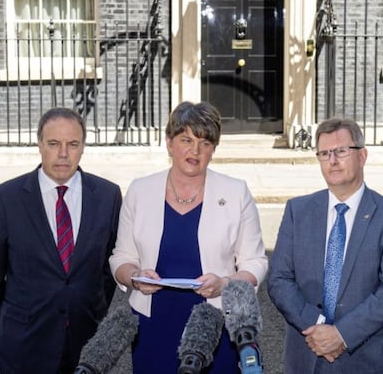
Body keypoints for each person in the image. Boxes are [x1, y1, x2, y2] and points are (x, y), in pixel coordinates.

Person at [110, 101, 268, 373]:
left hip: (214, 322)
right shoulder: (140, 191)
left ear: (213, 150)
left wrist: (226, 284)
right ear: (169, 143)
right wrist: (135, 277)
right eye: (186, 140)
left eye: (205, 143)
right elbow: (121, 258)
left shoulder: (235, 192)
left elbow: (255, 262)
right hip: (153, 324)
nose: (195, 151)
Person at [0, 107, 122, 374]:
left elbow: (107, 267)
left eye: (73, 144)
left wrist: (89, 310)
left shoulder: (108, 196)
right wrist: (13, 322)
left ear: (83, 147)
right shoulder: (7, 198)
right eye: (54, 143)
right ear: (39, 144)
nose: (64, 153)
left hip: (85, 342)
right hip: (24, 344)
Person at [267, 117, 383, 373]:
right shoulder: (297, 211)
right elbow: (279, 279)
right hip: (308, 354)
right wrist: (319, 328)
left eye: (341, 151)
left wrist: (341, 334)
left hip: (370, 360)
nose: (332, 161)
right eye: (324, 153)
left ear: (363, 155)